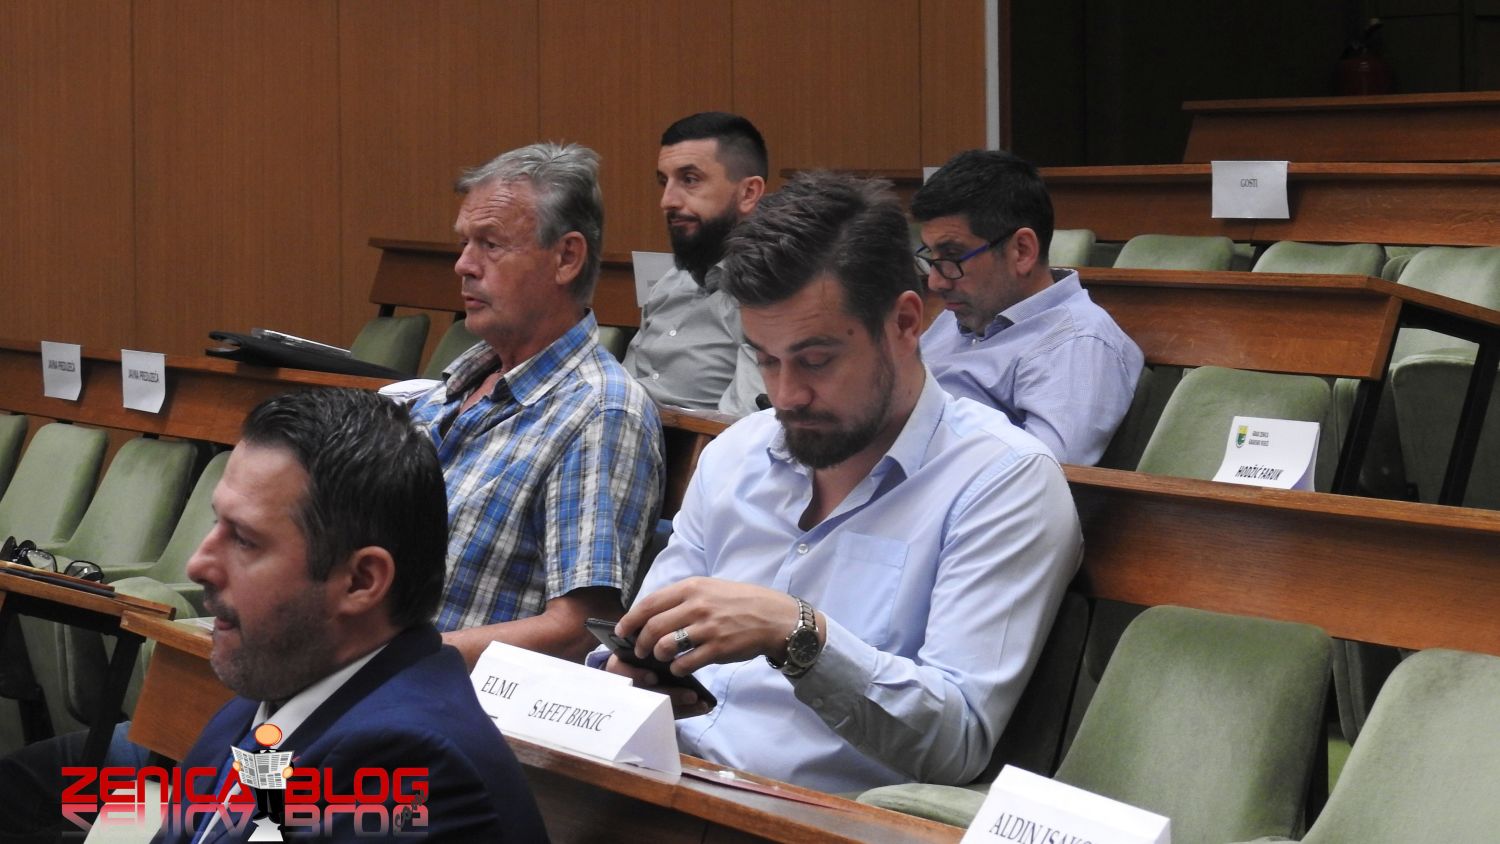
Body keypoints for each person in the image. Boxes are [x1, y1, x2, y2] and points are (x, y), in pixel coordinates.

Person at [603, 172, 1083, 793]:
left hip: (804, 821)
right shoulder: (735, 454)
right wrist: (629, 670)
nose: (786, 394)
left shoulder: (1002, 481)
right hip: (658, 779)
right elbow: (644, 638)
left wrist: (798, 633)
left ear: (905, 322)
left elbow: (957, 744)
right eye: (766, 359)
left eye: (816, 360)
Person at [166, 388, 547, 841]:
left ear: (361, 581)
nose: (198, 565)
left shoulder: (414, 765)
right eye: (218, 524)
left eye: (245, 540)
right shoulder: (260, 703)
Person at [408, 143, 664, 667]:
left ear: (566, 257)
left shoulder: (598, 413)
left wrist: (392, 662)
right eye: (464, 242)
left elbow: (582, 631)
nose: (463, 265)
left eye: (490, 244)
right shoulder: (446, 390)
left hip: (443, 695)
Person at [912, 149, 1144, 465]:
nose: (936, 282)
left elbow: (1038, 475)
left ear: (1022, 251)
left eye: (952, 256)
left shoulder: (1076, 343)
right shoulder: (962, 313)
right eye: (931, 257)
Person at [622, 112, 768, 416]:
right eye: (664, 182)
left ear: (748, 193)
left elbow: (742, 429)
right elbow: (623, 389)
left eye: (690, 180)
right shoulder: (671, 282)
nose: (667, 201)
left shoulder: (771, 292)